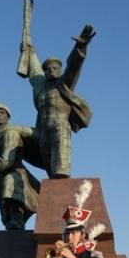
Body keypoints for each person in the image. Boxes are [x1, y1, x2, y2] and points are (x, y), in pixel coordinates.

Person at [21, 25, 95, 178]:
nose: (51, 71)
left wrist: (80, 47)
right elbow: (34, 71)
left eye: (55, 68)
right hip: (44, 129)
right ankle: (51, 197)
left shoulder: (65, 84)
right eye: (47, 69)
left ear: (60, 70)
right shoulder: (41, 88)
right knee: (49, 169)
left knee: (61, 169)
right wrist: (30, 51)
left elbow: (73, 66)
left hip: (60, 126)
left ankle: (62, 194)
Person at [0, 103, 40, 230]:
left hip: (14, 173)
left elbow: (7, 161)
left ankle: (18, 219)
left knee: (12, 196)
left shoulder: (11, 132)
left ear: (8, 117)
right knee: (5, 216)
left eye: (2, 112)